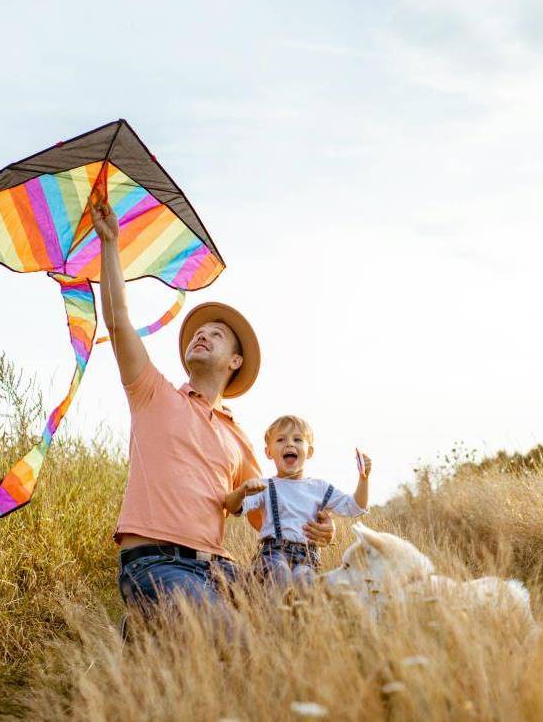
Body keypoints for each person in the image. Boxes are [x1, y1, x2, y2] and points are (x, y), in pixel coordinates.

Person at [90, 201, 335, 611]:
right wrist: (110, 242)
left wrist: (316, 529)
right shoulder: (152, 392)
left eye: (216, 334)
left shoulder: (237, 439)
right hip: (154, 562)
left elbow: (273, 514)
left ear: (234, 362)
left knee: (293, 616)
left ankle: (148, 646)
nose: (202, 335)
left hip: (218, 568)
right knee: (231, 640)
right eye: (198, 332)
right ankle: (158, 627)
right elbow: (117, 321)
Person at [224, 414, 372, 592]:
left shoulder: (319, 487)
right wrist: (241, 492)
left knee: (305, 580)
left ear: (309, 452)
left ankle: (298, 618)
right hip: (273, 554)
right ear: (268, 452)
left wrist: (364, 479)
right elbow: (232, 507)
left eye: (298, 439)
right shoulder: (265, 486)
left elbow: (355, 507)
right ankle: (275, 617)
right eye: (280, 439)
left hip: (307, 557)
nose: (289, 444)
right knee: (279, 573)